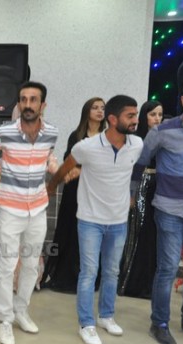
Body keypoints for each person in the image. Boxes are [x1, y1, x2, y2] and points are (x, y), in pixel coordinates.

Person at [48, 95, 142, 344]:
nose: (135, 120)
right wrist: (50, 188)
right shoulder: (86, 147)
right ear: (113, 119)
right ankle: (86, 324)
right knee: (89, 272)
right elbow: (65, 168)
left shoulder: (137, 144)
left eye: (135, 115)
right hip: (90, 220)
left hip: (119, 221)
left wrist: (131, 195)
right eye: (130, 116)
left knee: (111, 271)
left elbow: (133, 171)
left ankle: (106, 316)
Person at [0, 81, 58, 344]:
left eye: (33, 100)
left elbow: (49, 157)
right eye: (23, 99)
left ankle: (21, 310)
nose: (28, 104)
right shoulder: (4, 132)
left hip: (38, 208)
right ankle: (5, 320)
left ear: (42, 105)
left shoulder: (51, 133)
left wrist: (54, 166)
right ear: (19, 103)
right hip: (10, 208)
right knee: (7, 267)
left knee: (31, 265)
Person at [134, 75, 183, 344]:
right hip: (169, 210)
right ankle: (160, 323)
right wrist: (130, 195)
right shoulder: (163, 131)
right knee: (167, 268)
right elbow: (140, 162)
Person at [42, 97, 106, 293]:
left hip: (96, 189)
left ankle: (90, 276)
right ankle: (67, 274)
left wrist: (83, 169)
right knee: (71, 229)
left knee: (93, 232)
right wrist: (74, 170)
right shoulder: (76, 135)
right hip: (75, 189)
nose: (99, 111)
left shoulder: (107, 137)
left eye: (102, 108)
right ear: (87, 111)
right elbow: (68, 159)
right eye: (95, 108)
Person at [117, 101, 163, 298]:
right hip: (141, 186)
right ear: (144, 116)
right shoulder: (136, 139)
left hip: (160, 188)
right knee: (137, 232)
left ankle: (149, 285)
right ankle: (130, 284)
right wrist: (131, 194)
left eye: (160, 115)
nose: (157, 119)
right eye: (153, 114)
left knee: (154, 235)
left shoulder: (165, 137)